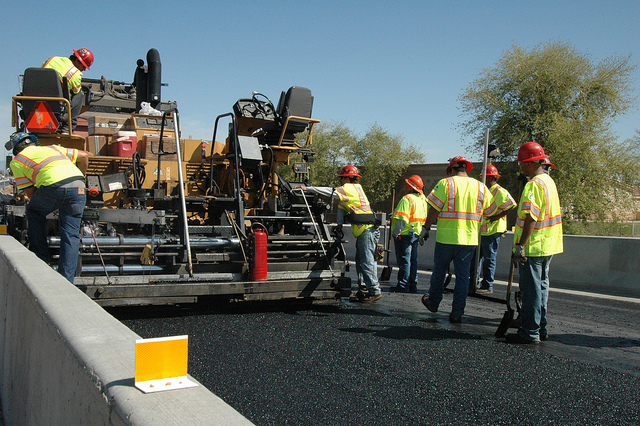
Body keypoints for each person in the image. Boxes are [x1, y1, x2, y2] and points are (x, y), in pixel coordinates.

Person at [420, 156, 497, 323]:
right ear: (466, 169)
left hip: (446, 238)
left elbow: (433, 209)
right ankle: (457, 313)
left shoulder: (446, 183)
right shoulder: (481, 187)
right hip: (469, 240)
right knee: (463, 278)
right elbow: (491, 212)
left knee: (439, 272)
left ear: (451, 170)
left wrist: (425, 229)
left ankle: (433, 303)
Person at [6, 132, 89, 282]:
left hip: (53, 186)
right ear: (32, 143)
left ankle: (41, 261)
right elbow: (83, 155)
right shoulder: (53, 148)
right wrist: (81, 178)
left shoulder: (17, 161)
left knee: (34, 211)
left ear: (16, 150)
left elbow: (31, 193)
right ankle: (67, 280)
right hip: (79, 187)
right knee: (71, 235)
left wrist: (52, 199)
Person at [505, 142, 563, 344]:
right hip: (548, 244)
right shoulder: (549, 182)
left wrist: (521, 246)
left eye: (521, 163)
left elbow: (531, 217)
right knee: (542, 288)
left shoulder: (534, 185)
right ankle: (541, 328)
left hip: (534, 246)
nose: (520, 167)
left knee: (531, 290)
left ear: (529, 163)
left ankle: (530, 332)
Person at [302, 165, 382, 302]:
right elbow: (341, 208)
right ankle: (363, 289)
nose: (340, 180)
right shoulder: (356, 189)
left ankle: (374, 291)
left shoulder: (348, 188)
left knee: (366, 262)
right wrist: (338, 225)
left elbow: (330, 192)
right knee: (361, 261)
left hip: (366, 230)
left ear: (346, 177)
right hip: (367, 229)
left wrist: (308, 188)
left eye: (342, 178)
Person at [476, 164, 517, 295]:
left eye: (484, 178)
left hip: (493, 231)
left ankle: (487, 285)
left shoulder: (499, 191)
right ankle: (475, 282)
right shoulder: (487, 190)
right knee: (478, 258)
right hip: (483, 230)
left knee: (489, 258)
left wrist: (497, 216)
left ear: (490, 178)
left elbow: (511, 204)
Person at [389, 175, 428, 293]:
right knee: (413, 260)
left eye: (408, 185)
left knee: (404, 261)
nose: (405, 186)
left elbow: (402, 220)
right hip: (415, 233)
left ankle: (403, 285)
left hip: (404, 234)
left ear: (412, 188)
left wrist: (396, 233)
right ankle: (412, 284)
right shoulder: (422, 199)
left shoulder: (407, 199)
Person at [42, 48, 94, 132]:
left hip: (34, 100)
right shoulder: (75, 74)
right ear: (77, 60)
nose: (84, 69)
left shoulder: (53, 59)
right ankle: (67, 128)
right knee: (80, 95)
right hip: (55, 106)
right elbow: (75, 94)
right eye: (84, 66)